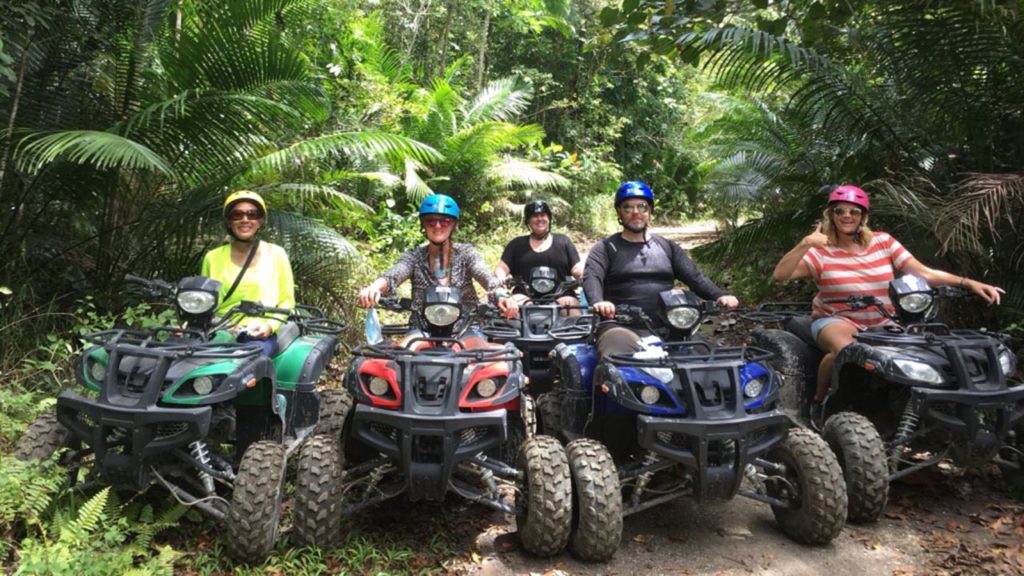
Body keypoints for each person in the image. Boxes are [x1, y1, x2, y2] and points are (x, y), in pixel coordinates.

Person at [772, 184, 1004, 428]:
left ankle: (916, 408)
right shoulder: (820, 252)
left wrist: (968, 283)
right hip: (837, 318)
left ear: (863, 217)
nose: (847, 216)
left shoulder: (883, 242)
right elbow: (780, 275)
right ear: (831, 215)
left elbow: (924, 273)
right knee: (848, 351)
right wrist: (805, 244)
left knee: (927, 350)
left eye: (854, 211)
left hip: (884, 320)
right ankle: (819, 403)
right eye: (840, 211)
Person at [584, 180, 739, 357]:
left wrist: (719, 296)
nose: (636, 213)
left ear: (650, 211)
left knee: (707, 358)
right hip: (620, 326)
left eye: (642, 207)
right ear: (619, 211)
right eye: (628, 207)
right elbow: (592, 277)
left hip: (671, 325)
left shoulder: (666, 246)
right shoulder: (605, 248)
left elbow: (695, 277)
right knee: (618, 356)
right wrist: (598, 301)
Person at [357, 193, 506, 334]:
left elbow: (484, 275)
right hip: (422, 328)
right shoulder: (414, 257)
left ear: (454, 224)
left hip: (467, 327)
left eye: (444, 221)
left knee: (488, 357)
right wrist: (374, 288)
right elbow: (394, 274)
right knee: (404, 356)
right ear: (423, 224)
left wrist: (501, 295)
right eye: (431, 221)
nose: (437, 226)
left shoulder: (466, 253)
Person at [201, 190, 295, 356]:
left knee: (247, 367)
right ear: (229, 222)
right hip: (220, 329)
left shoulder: (276, 254)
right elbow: (204, 302)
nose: (245, 219)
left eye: (252, 214)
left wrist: (269, 326)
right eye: (237, 215)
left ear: (260, 221)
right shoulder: (213, 257)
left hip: (256, 333)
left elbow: (287, 301)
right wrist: (186, 326)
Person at [495, 200, 584, 318]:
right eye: (535, 216)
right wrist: (500, 279)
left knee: (574, 315)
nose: (539, 219)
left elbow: (576, 267)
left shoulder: (563, 241)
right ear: (528, 221)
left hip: (562, 294)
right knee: (511, 314)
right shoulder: (516, 244)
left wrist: (585, 276)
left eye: (543, 215)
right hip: (524, 295)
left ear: (549, 218)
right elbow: (502, 268)